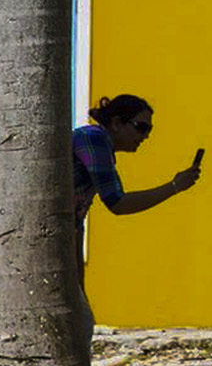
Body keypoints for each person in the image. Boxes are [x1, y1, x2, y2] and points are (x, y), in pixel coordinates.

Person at [72, 94, 202, 331]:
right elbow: (118, 203)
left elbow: (76, 221)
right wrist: (174, 187)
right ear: (116, 123)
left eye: (149, 130)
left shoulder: (102, 148)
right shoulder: (93, 138)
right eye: (141, 127)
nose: (145, 136)